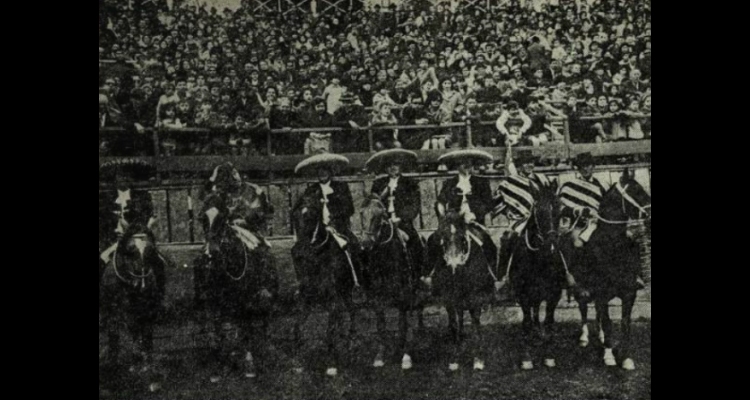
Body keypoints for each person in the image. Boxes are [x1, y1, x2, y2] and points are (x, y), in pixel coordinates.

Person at [428, 149, 498, 274]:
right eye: (462, 162)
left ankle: (494, 275)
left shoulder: (481, 182)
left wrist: (475, 214)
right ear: (457, 165)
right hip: (452, 221)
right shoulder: (450, 183)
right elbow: (440, 201)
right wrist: (443, 212)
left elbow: (488, 203)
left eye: (469, 162)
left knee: (488, 243)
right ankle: (428, 274)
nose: (466, 165)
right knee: (433, 240)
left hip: (474, 221)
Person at [366, 149, 425, 275]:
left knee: (415, 245)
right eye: (389, 165)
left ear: (401, 166)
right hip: (383, 222)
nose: (393, 168)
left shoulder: (410, 184)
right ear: (385, 168)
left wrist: (401, 218)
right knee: (370, 246)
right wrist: (379, 210)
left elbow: (414, 206)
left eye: (396, 165)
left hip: (402, 223)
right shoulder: (378, 183)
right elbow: (372, 203)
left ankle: (417, 275)